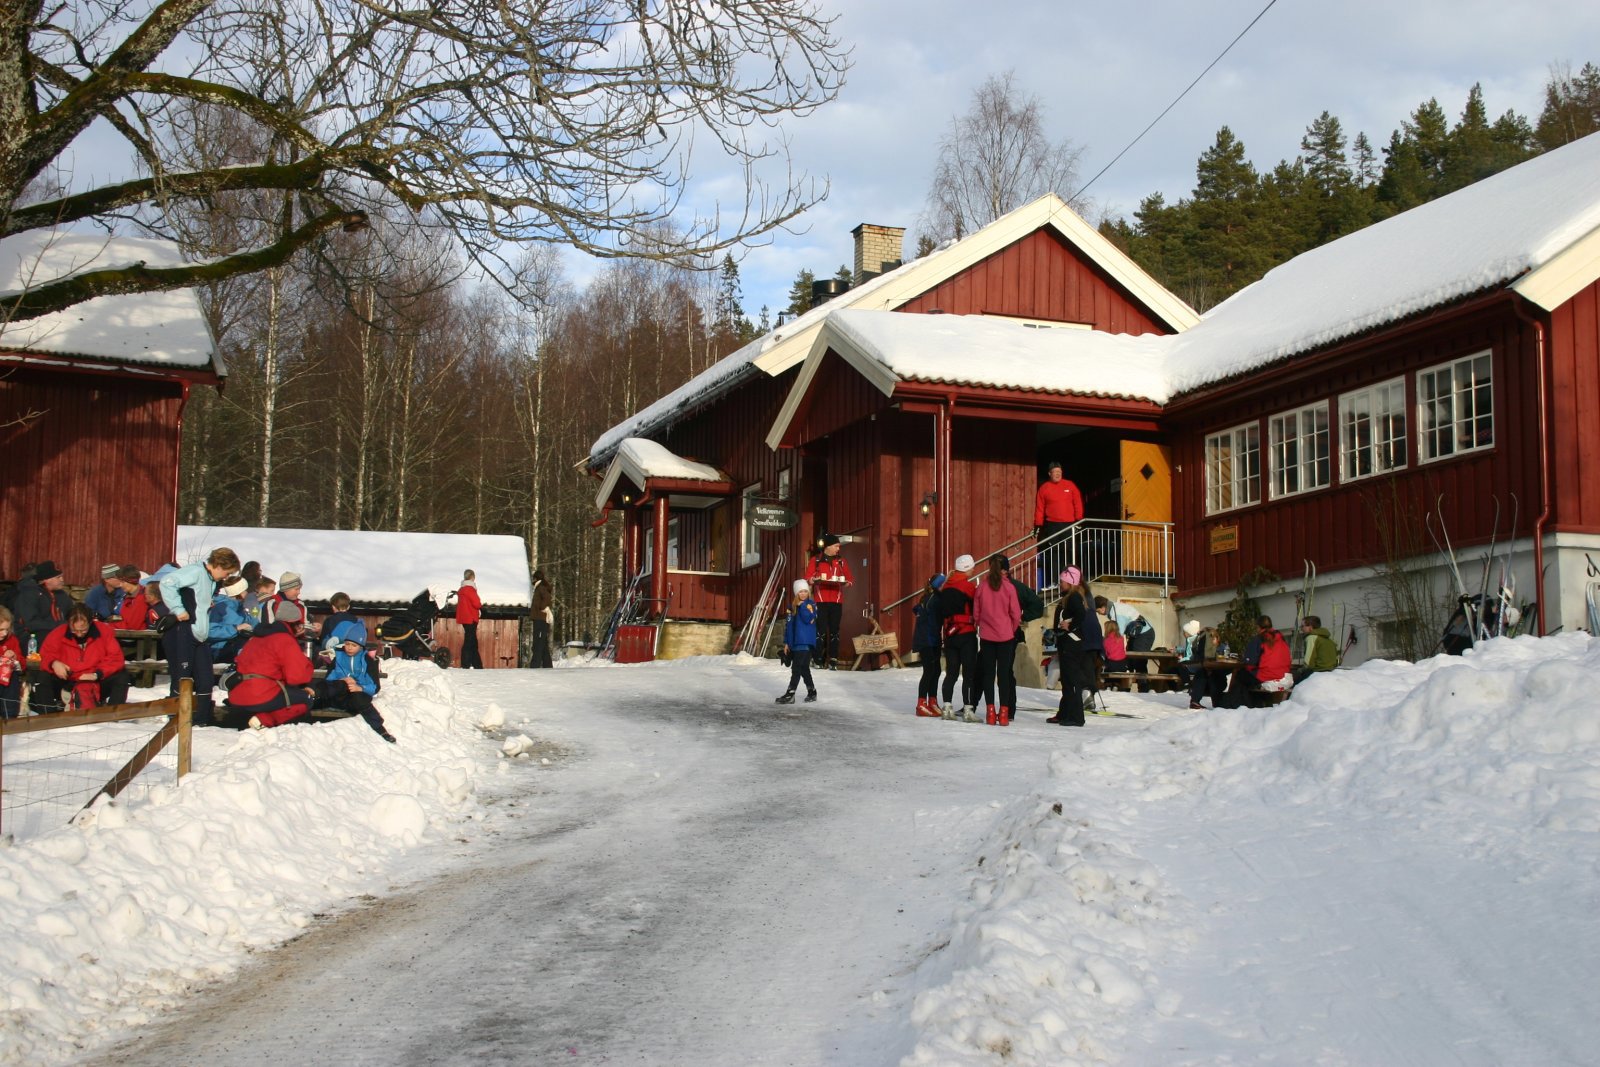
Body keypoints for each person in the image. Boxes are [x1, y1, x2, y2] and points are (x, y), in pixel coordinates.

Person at [159, 547, 241, 727]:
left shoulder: (210, 580)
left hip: (201, 636)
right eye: (227, 572)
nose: (226, 577)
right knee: (182, 677)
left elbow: (197, 599)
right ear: (218, 565)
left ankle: (202, 719)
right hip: (185, 631)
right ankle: (175, 718)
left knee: (205, 679)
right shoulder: (196, 572)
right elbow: (166, 582)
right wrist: (178, 609)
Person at [227, 601, 316, 730]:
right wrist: (306, 661)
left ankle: (255, 718)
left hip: (238, 694)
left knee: (283, 696)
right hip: (261, 694)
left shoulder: (255, 638)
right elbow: (297, 677)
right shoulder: (284, 639)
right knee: (305, 699)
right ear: (295, 623)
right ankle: (263, 720)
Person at [311, 619, 395, 742]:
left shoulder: (368, 661)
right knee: (338, 685)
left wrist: (359, 687)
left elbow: (375, 686)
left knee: (359, 698)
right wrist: (343, 679)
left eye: (354, 645)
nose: (349, 648)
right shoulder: (338, 657)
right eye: (347, 644)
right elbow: (329, 678)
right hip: (338, 695)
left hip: (355, 699)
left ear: (361, 646)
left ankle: (380, 729)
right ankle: (311, 699)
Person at [37, 604, 131, 711]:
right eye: (74, 630)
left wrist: (97, 674)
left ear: (90, 623)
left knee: (122, 676)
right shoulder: (57, 634)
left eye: (83, 630)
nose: (79, 634)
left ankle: (113, 714)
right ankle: (48, 714)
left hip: (96, 681)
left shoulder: (104, 632)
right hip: (68, 681)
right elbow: (45, 655)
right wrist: (54, 663)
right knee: (43, 677)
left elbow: (116, 658)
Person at [972, 553, 1021, 726]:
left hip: (987, 636)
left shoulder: (982, 587)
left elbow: (976, 613)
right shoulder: (1009, 588)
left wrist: (981, 625)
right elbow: (1016, 613)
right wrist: (1011, 628)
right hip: (1005, 636)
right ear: (1004, 570)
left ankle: (990, 712)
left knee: (988, 674)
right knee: (1004, 675)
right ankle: (1004, 713)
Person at [936, 554, 980, 721]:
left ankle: (947, 707)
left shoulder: (945, 586)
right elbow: (976, 607)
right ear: (967, 568)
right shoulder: (968, 587)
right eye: (972, 567)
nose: (974, 570)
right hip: (966, 633)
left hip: (950, 634)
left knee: (951, 673)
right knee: (969, 674)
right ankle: (968, 710)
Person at [1047, 567, 1092, 727]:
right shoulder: (1068, 597)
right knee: (1066, 680)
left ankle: (1076, 717)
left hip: (1071, 644)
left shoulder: (1074, 597)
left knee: (1071, 680)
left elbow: (1081, 615)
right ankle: (1064, 713)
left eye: (1062, 581)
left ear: (1070, 582)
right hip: (1065, 643)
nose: (1060, 584)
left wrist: (1070, 625)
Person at [1218, 616, 1293, 708]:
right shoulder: (1281, 638)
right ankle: (1255, 702)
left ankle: (1235, 704)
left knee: (1241, 676)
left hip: (1266, 674)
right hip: (1282, 674)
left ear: (1258, 627)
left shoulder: (1259, 639)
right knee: (1247, 678)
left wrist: (1245, 661)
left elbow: (1250, 661)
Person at [805, 535, 853, 669]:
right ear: (828, 546)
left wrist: (846, 582)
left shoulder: (841, 561)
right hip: (820, 601)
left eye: (839, 546)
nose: (838, 549)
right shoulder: (816, 560)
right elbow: (808, 578)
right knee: (820, 631)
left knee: (834, 631)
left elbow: (850, 579)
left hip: (837, 601)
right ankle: (817, 659)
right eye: (836, 546)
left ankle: (833, 660)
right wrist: (814, 579)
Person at [13, 560, 75, 649]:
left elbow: (72, 613)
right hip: (31, 637)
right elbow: (31, 624)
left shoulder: (61, 595)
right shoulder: (29, 594)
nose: (62, 580)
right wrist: (60, 625)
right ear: (46, 580)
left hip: (57, 632)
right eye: (58, 577)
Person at [776, 579, 818, 705]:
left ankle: (790, 694)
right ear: (796, 593)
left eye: (805, 591)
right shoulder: (791, 607)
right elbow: (789, 626)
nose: (803, 594)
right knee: (804, 668)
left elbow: (807, 619)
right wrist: (787, 643)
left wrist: (802, 606)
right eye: (800, 591)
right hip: (795, 642)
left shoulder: (811, 605)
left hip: (805, 641)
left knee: (796, 668)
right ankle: (812, 692)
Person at [911, 574, 945, 717]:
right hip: (926, 640)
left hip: (933, 639)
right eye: (943, 584)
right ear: (938, 586)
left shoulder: (930, 597)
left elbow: (916, 609)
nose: (945, 586)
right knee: (929, 670)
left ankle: (932, 700)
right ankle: (921, 703)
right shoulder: (934, 599)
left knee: (936, 670)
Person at [1033, 461, 1084, 548]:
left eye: (1059, 472)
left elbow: (1078, 503)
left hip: (1068, 524)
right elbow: (1039, 508)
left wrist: (1079, 520)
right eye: (1055, 472)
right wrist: (1038, 525)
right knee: (1054, 549)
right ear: (1049, 473)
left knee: (1068, 549)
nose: (1058, 474)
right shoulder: (1044, 488)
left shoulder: (1070, 485)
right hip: (1052, 525)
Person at [207, 576, 254, 662]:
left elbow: (251, 623)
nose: (247, 593)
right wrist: (236, 628)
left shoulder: (241, 607)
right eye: (245, 590)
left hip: (237, 650)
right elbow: (210, 632)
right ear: (240, 593)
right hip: (220, 652)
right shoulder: (221, 607)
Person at [1293, 615, 1340, 683]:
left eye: (1302, 626)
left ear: (1310, 627)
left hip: (1318, 670)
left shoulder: (1311, 638)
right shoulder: (1328, 640)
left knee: (1295, 684)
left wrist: (1301, 670)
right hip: (1330, 670)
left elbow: (1308, 661)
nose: (1301, 629)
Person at [457, 570, 484, 669]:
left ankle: (477, 664)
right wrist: (482, 608)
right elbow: (476, 603)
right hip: (471, 618)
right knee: (469, 641)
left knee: (472, 641)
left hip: (464, 618)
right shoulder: (470, 589)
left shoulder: (462, 589)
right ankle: (466, 664)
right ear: (472, 577)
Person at [0, 606, 24, 718]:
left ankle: (10, 716)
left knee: (12, 676)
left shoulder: (12, 640)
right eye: (1, 630)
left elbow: (22, 665)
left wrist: (15, 657)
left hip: (9, 685)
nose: (4, 633)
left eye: (7, 629)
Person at [268, 572, 307, 639]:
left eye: (299, 589)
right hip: (277, 642)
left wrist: (306, 630)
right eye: (296, 589)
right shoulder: (272, 604)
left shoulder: (301, 605)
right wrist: (292, 632)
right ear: (285, 589)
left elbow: (306, 625)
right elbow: (268, 629)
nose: (299, 592)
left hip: (298, 642)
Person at [530, 568, 554, 668]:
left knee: (538, 643)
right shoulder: (540, 587)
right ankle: (547, 665)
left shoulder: (541, 587)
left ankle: (534, 665)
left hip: (540, 619)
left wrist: (542, 607)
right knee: (543, 644)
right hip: (539, 619)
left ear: (536, 578)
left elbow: (547, 598)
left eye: (533, 578)